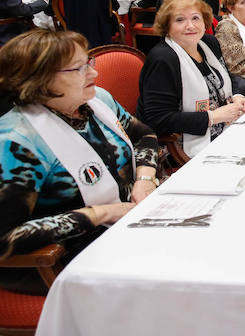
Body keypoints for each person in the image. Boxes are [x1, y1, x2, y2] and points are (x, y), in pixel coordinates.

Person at [0, 30, 159, 294]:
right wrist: (101, 213)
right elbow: (5, 237)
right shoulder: (16, 139)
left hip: (125, 225)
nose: (93, 73)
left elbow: (145, 135)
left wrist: (144, 179)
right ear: (40, 79)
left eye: (89, 63)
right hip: (66, 257)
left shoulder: (97, 101)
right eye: (79, 68)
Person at [137, 0, 245, 158]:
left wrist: (238, 96)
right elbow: (159, 119)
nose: (190, 26)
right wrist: (213, 117)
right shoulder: (163, 59)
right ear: (167, 26)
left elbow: (226, 77)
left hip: (225, 129)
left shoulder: (209, 43)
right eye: (180, 20)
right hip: (180, 147)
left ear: (204, 22)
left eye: (196, 18)